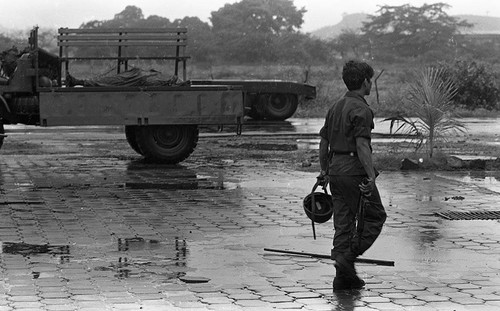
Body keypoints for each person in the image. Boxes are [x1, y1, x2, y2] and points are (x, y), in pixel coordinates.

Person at [318, 60, 387, 291]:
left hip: (335, 170)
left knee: (344, 223)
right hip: (353, 171)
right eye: (370, 79)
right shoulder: (361, 110)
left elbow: (323, 142)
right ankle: (347, 258)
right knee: (375, 216)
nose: (371, 83)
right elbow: (362, 147)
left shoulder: (335, 107)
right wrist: (371, 176)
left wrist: (324, 171)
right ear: (365, 81)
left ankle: (343, 277)